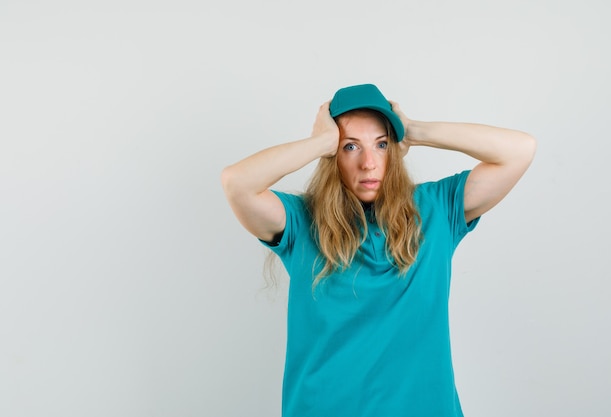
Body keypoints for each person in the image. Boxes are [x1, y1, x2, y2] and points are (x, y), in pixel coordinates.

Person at [221, 83, 536, 417]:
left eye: (381, 144)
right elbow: (236, 183)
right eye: (350, 147)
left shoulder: (435, 210)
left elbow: (520, 151)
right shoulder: (302, 222)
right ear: (333, 156)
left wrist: (414, 130)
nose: (369, 163)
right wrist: (319, 143)